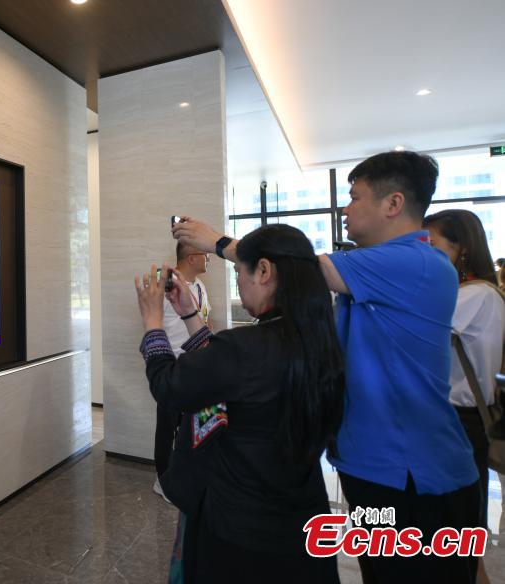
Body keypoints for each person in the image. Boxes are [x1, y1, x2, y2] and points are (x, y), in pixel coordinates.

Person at [172, 151, 481, 583]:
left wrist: (217, 242)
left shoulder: (420, 264)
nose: (346, 209)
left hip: (415, 475)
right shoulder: (372, 269)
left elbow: (297, 269)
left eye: (355, 197)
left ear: (393, 204)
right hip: (374, 467)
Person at [135, 224, 344, 583]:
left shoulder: (248, 347)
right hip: (300, 522)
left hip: (239, 529)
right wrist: (190, 315)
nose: (238, 283)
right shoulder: (318, 339)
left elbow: (170, 387)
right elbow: (226, 372)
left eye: (238, 272)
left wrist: (152, 323)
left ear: (263, 271)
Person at [425, 210, 505, 584]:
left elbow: (416, 325)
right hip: (456, 420)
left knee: (457, 534)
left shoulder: (476, 295)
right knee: (458, 535)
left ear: (463, 249)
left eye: (432, 244)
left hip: (459, 421)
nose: (424, 253)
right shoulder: (474, 293)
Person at [153, 243, 211, 501]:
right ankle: (163, 481)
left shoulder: (200, 286)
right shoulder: (167, 284)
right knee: (167, 428)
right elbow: (152, 321)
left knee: (189, 427)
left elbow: (204, 320)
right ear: (191, 257)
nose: (208, 259)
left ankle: (183, 477)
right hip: (173, 367)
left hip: (196, 366)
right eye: (205, 255)